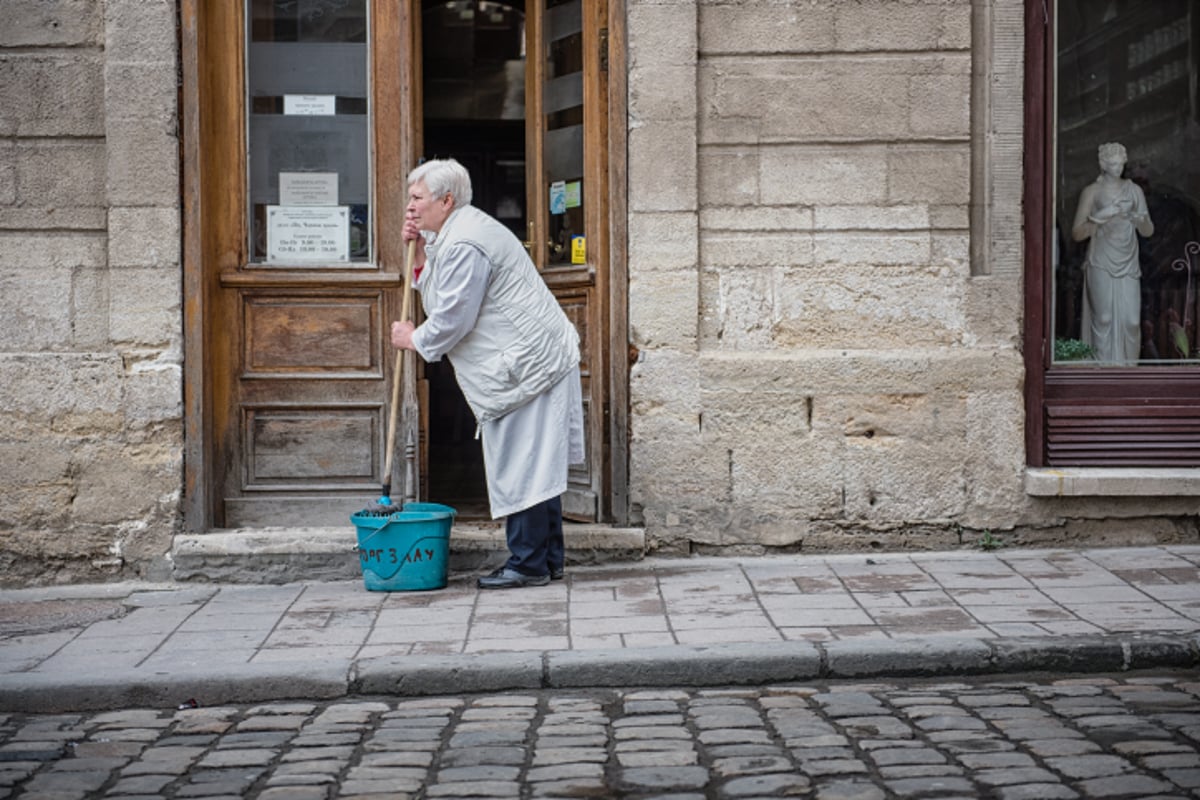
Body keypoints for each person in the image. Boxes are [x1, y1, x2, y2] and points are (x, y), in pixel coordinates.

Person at [390, 159, 584, 589]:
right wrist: (421, 252)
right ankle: (546, 559)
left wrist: (414, 338)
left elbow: (454, 315)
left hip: (528, 366)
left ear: (446, 200)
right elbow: (442, 288)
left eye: (417, 199)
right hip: (529, 361)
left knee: (525, 463)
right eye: (410, 199)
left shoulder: (465, 242)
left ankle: (528, 563)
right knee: (536, 461)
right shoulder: (456, 233)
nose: (410, 208)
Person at [1071, 142, 1154, 364]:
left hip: (1128, 261)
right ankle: (1103, 372)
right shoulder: (1092, 192)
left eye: (1121, 164)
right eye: (1113, 164)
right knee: (1104, 319)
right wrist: (1101, 216)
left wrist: (1139, 219)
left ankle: (1128, 370)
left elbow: (1148, 231)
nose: (1118, 168)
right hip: (1101, 260)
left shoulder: (1134, 190)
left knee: (1132, 321)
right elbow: (1077, 233)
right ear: (1103, 165)